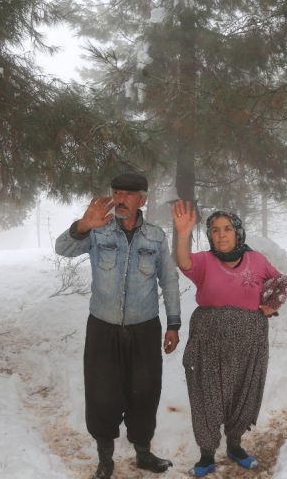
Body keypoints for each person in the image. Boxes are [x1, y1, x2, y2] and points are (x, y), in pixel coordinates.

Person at [56, 172, 181, 479]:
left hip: (144, 328)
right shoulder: (98, 231)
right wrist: (84, 224)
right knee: (102, 393)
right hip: (103, 327)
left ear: (143, 199)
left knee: (145, 391)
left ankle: (143, 453)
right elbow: (62, 248)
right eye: (116, 192)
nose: (120, 199)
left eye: (128, 194)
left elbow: (169, 280)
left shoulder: (156, 236)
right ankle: (105, 458)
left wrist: (173, 323)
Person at [171, 200, 287, 477]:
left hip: (250, 341)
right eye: (214, 230)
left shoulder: (257, 260)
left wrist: (272, 305)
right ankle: (206, 454)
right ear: (210, 235)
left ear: (237, 232)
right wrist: (184, 233)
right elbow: (183, 260)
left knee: (242, 393)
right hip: (209, 339)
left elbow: (281, 281)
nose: (221, 234)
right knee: (208, 394)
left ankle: (235, 445)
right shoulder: (204, 261)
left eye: (226, 229)